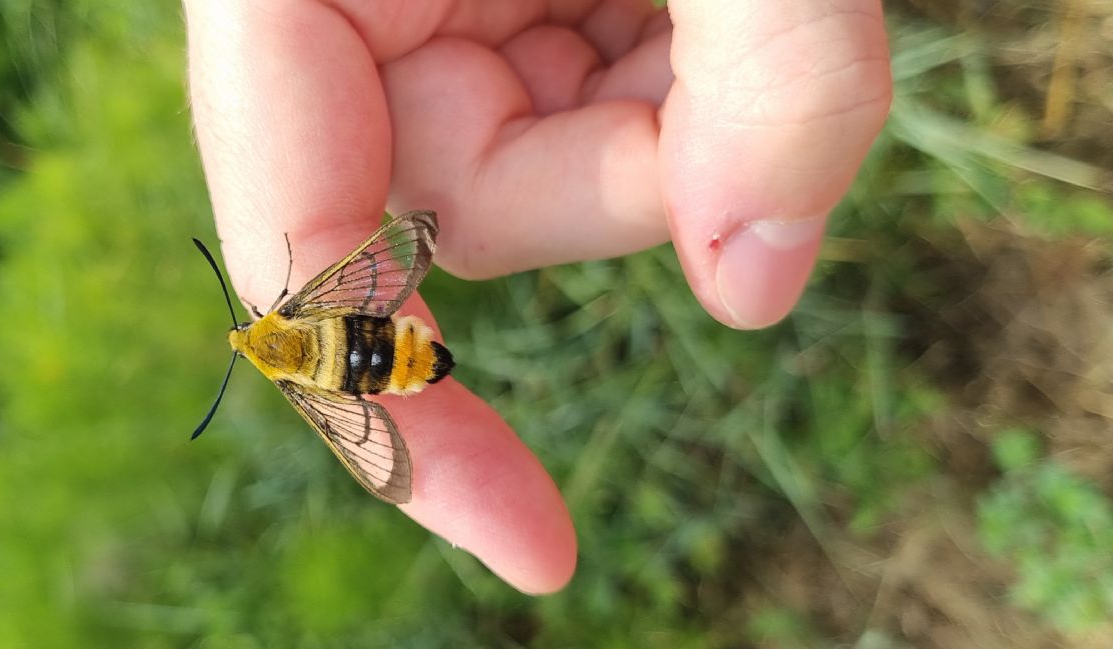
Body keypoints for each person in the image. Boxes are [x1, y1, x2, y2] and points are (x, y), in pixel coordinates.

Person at [185, 0, 892, 594]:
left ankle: (404, 364)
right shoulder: (298, 305)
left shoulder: (300, 388)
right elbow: (366, 274)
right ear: (272, 316)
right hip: (389, 343)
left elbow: (354, 425)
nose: (255, 329)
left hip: (385, 367)